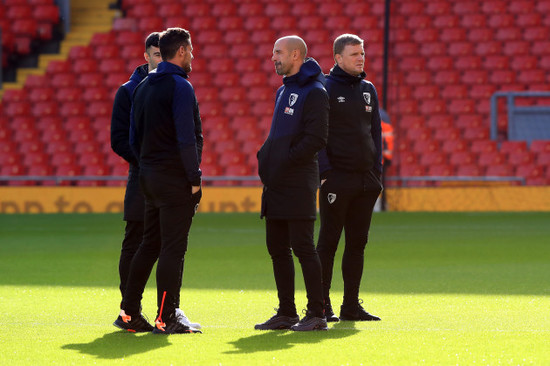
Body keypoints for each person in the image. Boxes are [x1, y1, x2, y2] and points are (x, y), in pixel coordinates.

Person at [114, 27, 203, 334]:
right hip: (174, 179)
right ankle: (166, 317)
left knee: (149, 244)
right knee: (172, 248)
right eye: (190, 51)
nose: (192, 56)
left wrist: (148, 167)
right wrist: (194, 178)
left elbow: (132, 138)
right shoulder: (180, 87)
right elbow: (186, 137)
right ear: (180, 51)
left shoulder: (142, 87)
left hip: (147, 179)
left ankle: (128, 311)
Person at [255, 36, 329, 332]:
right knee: (276, 247)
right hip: (277, 181)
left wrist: (284, 160)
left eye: (278, 52)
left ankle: (316, 313)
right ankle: (286, 311)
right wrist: (267, 157)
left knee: (302, 246)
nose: (273, 57)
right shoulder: (283, 90)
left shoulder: (315, 92)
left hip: (298, 180)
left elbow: (317, 139)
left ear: (295, 55)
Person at [316, 34, 383, 322]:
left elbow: (376, 134)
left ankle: (351, 305)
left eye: (362, 52)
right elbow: (318, 134)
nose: (360, 58)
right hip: (337, 179)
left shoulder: (368, 89)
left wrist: (376, 170)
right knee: (328, 242)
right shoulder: (325, 89)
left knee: (357, 243)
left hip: (365, 180)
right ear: (338, 58)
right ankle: (321, 305)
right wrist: (326, 172)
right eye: (354, 54)